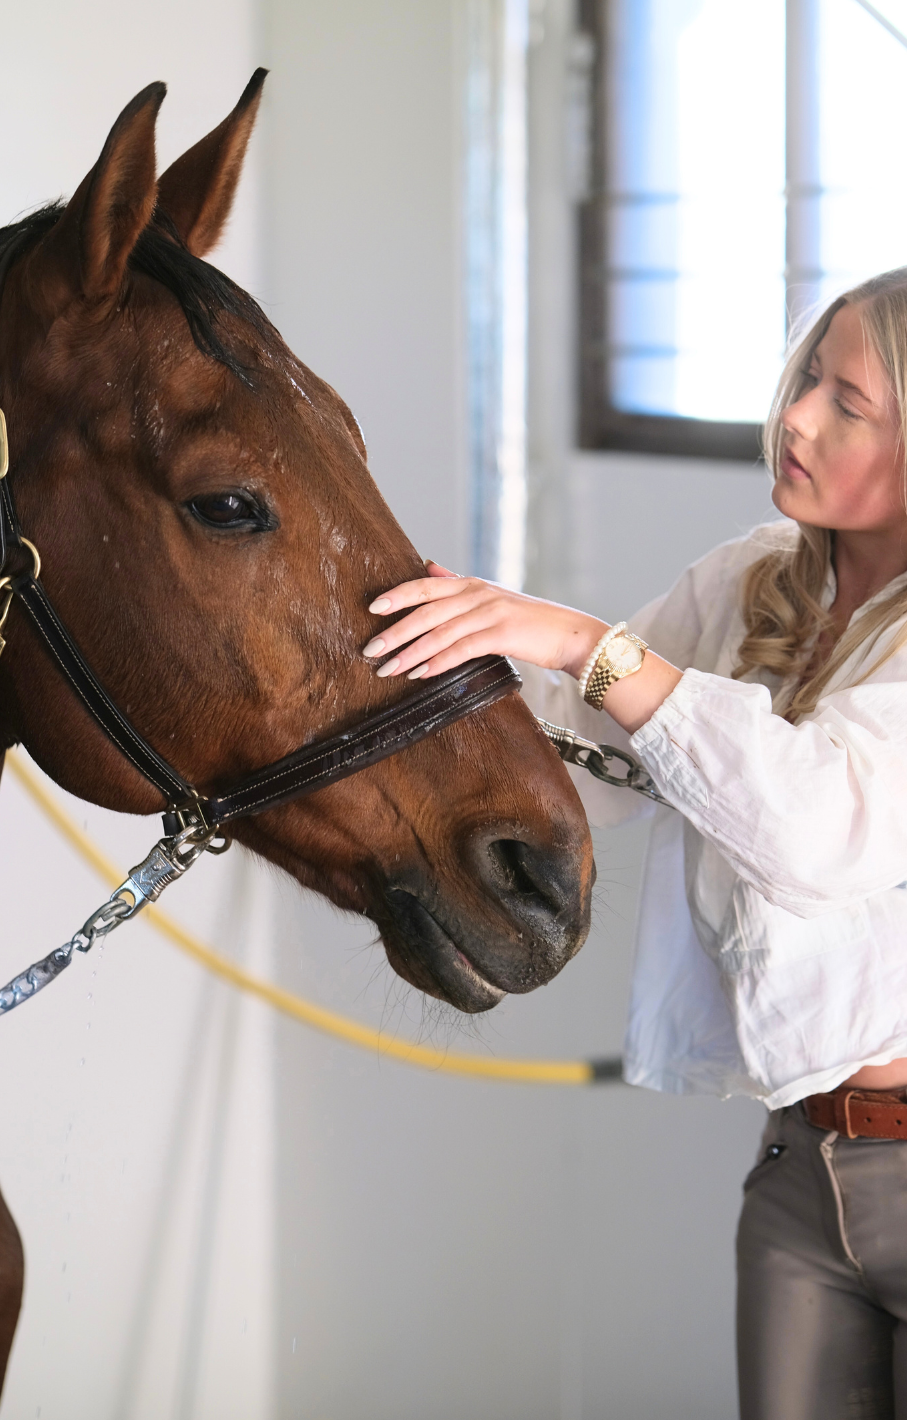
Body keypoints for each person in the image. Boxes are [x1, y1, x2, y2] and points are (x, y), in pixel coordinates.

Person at [363, 269, 907, 1419]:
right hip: (798, 1171)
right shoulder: (753, 579)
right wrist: (400, 648)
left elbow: (814, 832)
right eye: (807, 376)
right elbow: (578, 759)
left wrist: (583, 643)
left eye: (847, 403)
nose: (797, 415)